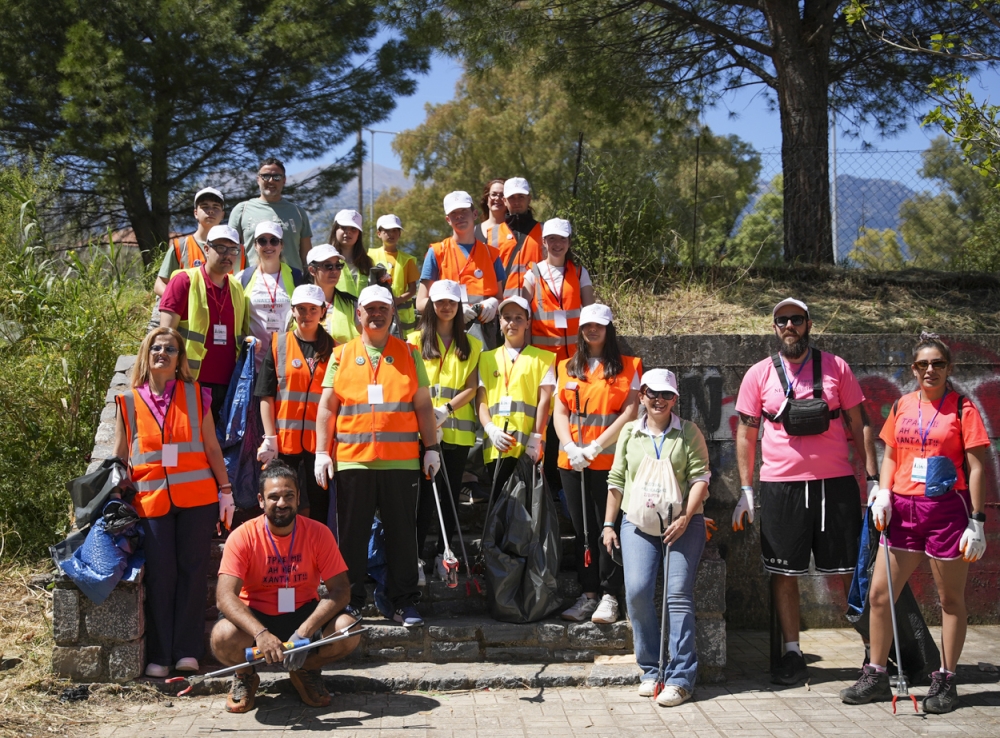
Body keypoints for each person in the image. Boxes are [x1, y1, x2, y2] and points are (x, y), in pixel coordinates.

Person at [733, 297, 878, 685]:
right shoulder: (758, 374)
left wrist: (875, 479)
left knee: (849, 569)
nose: (789, 326)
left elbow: (860, 423)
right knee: (785, 572)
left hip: (836, 484)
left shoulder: (836, 367)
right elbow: (746, 434)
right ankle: (793, 653)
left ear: (808, 324)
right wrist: (746, 488)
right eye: (782, 321)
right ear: (774, 327)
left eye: (796, 319)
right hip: (781, 486)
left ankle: (873, 653)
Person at [841, 334, 989, 713]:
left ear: (949, 368)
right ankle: (875, 673)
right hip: (903, 512)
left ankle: (947, 679)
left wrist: (978, 520)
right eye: (923, 364)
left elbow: (976, 466)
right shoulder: (903, 405)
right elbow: (890, 455)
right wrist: (884, 493)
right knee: (878, 595)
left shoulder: (962, 408)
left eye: (938, 364)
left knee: (950, 600)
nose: (930, 370)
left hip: (946, 513)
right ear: (913, 369)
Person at [313, 285, 441, 628]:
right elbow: (327, 407)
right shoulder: (340, 356)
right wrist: (322, 452)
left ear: (392, 313)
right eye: (370, 308)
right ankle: (348, 602)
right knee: (351, 536)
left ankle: (403, 602)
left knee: (402, 534)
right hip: (353, 460)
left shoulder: (410, 353)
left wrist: (431, 448)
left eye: (383, 308)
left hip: (400, 462)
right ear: (359, 314)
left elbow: (423, 405)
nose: (377, 314)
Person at [112, 328, 232, 678]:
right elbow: (120, 456)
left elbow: (211, 447)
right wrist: (116, 495)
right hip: (150, 502)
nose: (163, 353)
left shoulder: (196, 395)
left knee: (193, 574)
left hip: (198, 499)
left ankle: (187, 652)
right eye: (156, 348)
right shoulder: (130, 401)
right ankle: (161, 654)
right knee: (161, 577)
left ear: (180, 359)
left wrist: (226, 490)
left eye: (171, 349)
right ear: (146, 356)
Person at [211, 461, 362, 713]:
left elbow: (341, 590)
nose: (282, 503)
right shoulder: (242, 535)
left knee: (349, 630)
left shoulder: (319, 533)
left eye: (289, 496)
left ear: (298, 497)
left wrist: (304, 631)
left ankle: (305, 668)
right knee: (221, 636)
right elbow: (224, 597)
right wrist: (261, 633)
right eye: (274, 497)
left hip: (303, 613)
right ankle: (245, 675)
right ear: (261, 500)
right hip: (255, 617)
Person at [603, 369, 710, 707]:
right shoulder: (629, 434)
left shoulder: (689, 433)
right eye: (652, 393)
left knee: (677, 594)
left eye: (667, 394)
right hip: (637, 523)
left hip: (684, 523)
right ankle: (651, 669)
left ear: (676, 399)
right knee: (636, 591)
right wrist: (608, 524)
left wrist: (685, 518)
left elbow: (701, 480)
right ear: (642, 396)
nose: (659, 400)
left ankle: (681, 678)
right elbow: (617, 480)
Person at [553, 304, 641, 623]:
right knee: (582, 530)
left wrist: (594, 446)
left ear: (609, 329)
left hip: (607, 461)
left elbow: (630, 413)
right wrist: (569, 446)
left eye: (599, 325)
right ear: (580, 329)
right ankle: (588, 594)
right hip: (572, 462)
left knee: (609, 528)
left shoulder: (628, 366)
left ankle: (609, 594)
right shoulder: (565, 366)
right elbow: (560, 411)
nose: (593, 330)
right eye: (588, 325)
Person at [408, 280, 482, 582]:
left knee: (450, 497)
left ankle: (443, 552)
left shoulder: (472, 343)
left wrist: (446, 410)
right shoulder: (413, 340)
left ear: (460, 306)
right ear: (431, 305)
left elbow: (472, 386)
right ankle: (415, 557)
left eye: (452, 302)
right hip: (421, 434)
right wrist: (427, 418)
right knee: (423, 498)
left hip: (456, 433)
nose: (446, 307)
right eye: (440, 302)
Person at [526, 218, 595, 496]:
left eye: (562, 240)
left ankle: (566, 478)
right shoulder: (533, 274)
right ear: (544, 242)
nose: (557, 244)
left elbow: (591, 314)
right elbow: (523, 313)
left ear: (569, 242)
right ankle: (545, 479)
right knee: (543, 418)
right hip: (543, 360)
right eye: (552, 239)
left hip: (575, 360)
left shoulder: (579, 273)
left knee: (569, 416)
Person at [255, 284, 334, 525]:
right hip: (284, 442)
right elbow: (266, 394)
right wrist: (270, 438)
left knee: (319, 501)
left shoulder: (337, 350)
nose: (307, 314)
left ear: (323, 311)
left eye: (313, 309)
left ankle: (317, 550)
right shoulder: (279, 344)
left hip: (319, 444)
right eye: (301, 309)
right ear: (293, 310)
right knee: (280, 498)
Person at [159, 224, 250, 423]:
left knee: (218, 450)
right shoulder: (184, 280)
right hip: (189, 381)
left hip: (228, 386)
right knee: (187, 446)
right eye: (220, 248)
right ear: (206, 249)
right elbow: (164, 336)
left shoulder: (236, 287)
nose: (227, 255)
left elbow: (239, 334)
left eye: (233, 250)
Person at [476, 295, 556, 493]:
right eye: (507, 317)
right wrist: (491, 430)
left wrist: (536, 438)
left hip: (528, 446)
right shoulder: (486, 359)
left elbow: (545, 400)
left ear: (528, 322)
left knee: (527, 507)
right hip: (497, 445)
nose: (512, 323)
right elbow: (481, 400)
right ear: (499, 321)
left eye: (519, 318)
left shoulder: (543, 359)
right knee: (499, 506)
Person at [416, 191, 505, 345]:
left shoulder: (492, 255)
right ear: (447, 219)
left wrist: (494, 304)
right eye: (454, 213)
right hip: (447, 335)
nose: (459, 216)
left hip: (486, 336)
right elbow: (421, 303)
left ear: (475, 214)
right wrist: (453, 310)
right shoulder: (437, 252)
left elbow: (500, 298)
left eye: (464, 211)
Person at [237, 221, 305, 368]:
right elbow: (235, 320)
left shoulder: (296, 276)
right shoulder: (243, 278)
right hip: (253, 362)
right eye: (262, 241)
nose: (268, 246)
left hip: (289, 360)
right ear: (255, 246)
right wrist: (245, 339)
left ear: (281, 246)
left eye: (274, 241)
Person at [154, 187, 245, 297]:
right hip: (188, 313)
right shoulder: (181, 247)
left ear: (222, 214)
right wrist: (179, 303)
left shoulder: (239, 250)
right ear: (195, 213)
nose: (210, 210)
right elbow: (160, 284)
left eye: (216, 207)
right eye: (205, 207)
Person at [229, 157, 313, 271]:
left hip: (292, 283)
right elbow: (230, 251)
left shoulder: (298, 212)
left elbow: (307, 256)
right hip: (252, 283)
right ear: (258, 179)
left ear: (284, 180)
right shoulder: (242, 210)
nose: (271, 181)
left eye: (276, 177)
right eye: (266, 176)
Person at [491, 177, 545, 298]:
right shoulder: (491, 234)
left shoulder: (545, 231)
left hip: (538, 304)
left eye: (521, 196)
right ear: (504, 200)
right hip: (505, 308)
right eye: (512, 197)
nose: (516, 202)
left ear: (529, 199)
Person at [370, 214, 419, 334]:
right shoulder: (370, 256)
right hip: (377, 310)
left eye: (395, 231)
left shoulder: (408, 260)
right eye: (386, 231)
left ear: (399, 234)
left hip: (401, 315)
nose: (391, 234)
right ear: (379, 233)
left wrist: (398, 300)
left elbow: (412, 289)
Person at [304, 243, 360, 345]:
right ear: (312, 270)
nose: (334, 271)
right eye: (328, 266)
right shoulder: (298, 303)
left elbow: (367, 340)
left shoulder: (353, 304)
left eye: (338, 266)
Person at [329, 209, 371, 297]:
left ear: (358, 234)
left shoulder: (367, 262)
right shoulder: (324, 260)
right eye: (343, 227)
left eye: (353, 229)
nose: (348, 232)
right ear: (335, 230)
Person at [474, 178, 507, 243]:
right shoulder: (473, 232)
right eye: (493, 194)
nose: (497, 198)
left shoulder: (515, 230)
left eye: (502, 195)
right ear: (487, 199)